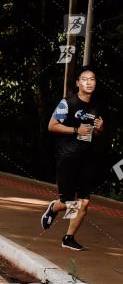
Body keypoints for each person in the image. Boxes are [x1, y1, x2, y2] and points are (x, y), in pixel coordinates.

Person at [41, 66, 104, 250]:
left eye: (92, 79)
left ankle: (68, 238)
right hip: (67, 158)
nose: (89, 82)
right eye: (85, 79)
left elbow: (95, 132)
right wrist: (75, 130)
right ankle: (54, 208)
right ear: (78, 83)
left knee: (84, 202)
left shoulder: (96, 105)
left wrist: (100, 128)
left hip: (87, 159)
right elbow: (52, 125)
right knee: (70, 202)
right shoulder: (67, 103)